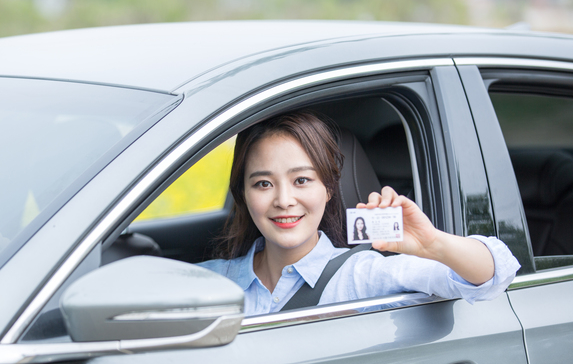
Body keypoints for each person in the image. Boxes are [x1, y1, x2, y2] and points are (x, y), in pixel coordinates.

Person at [198, 111, 520, 317]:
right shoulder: (207, 283)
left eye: (302, 180)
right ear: (243, 193)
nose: (284, 200)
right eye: (264, 183)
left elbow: (493, 274)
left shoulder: (359, 277)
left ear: (327, 188)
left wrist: (431, 243)